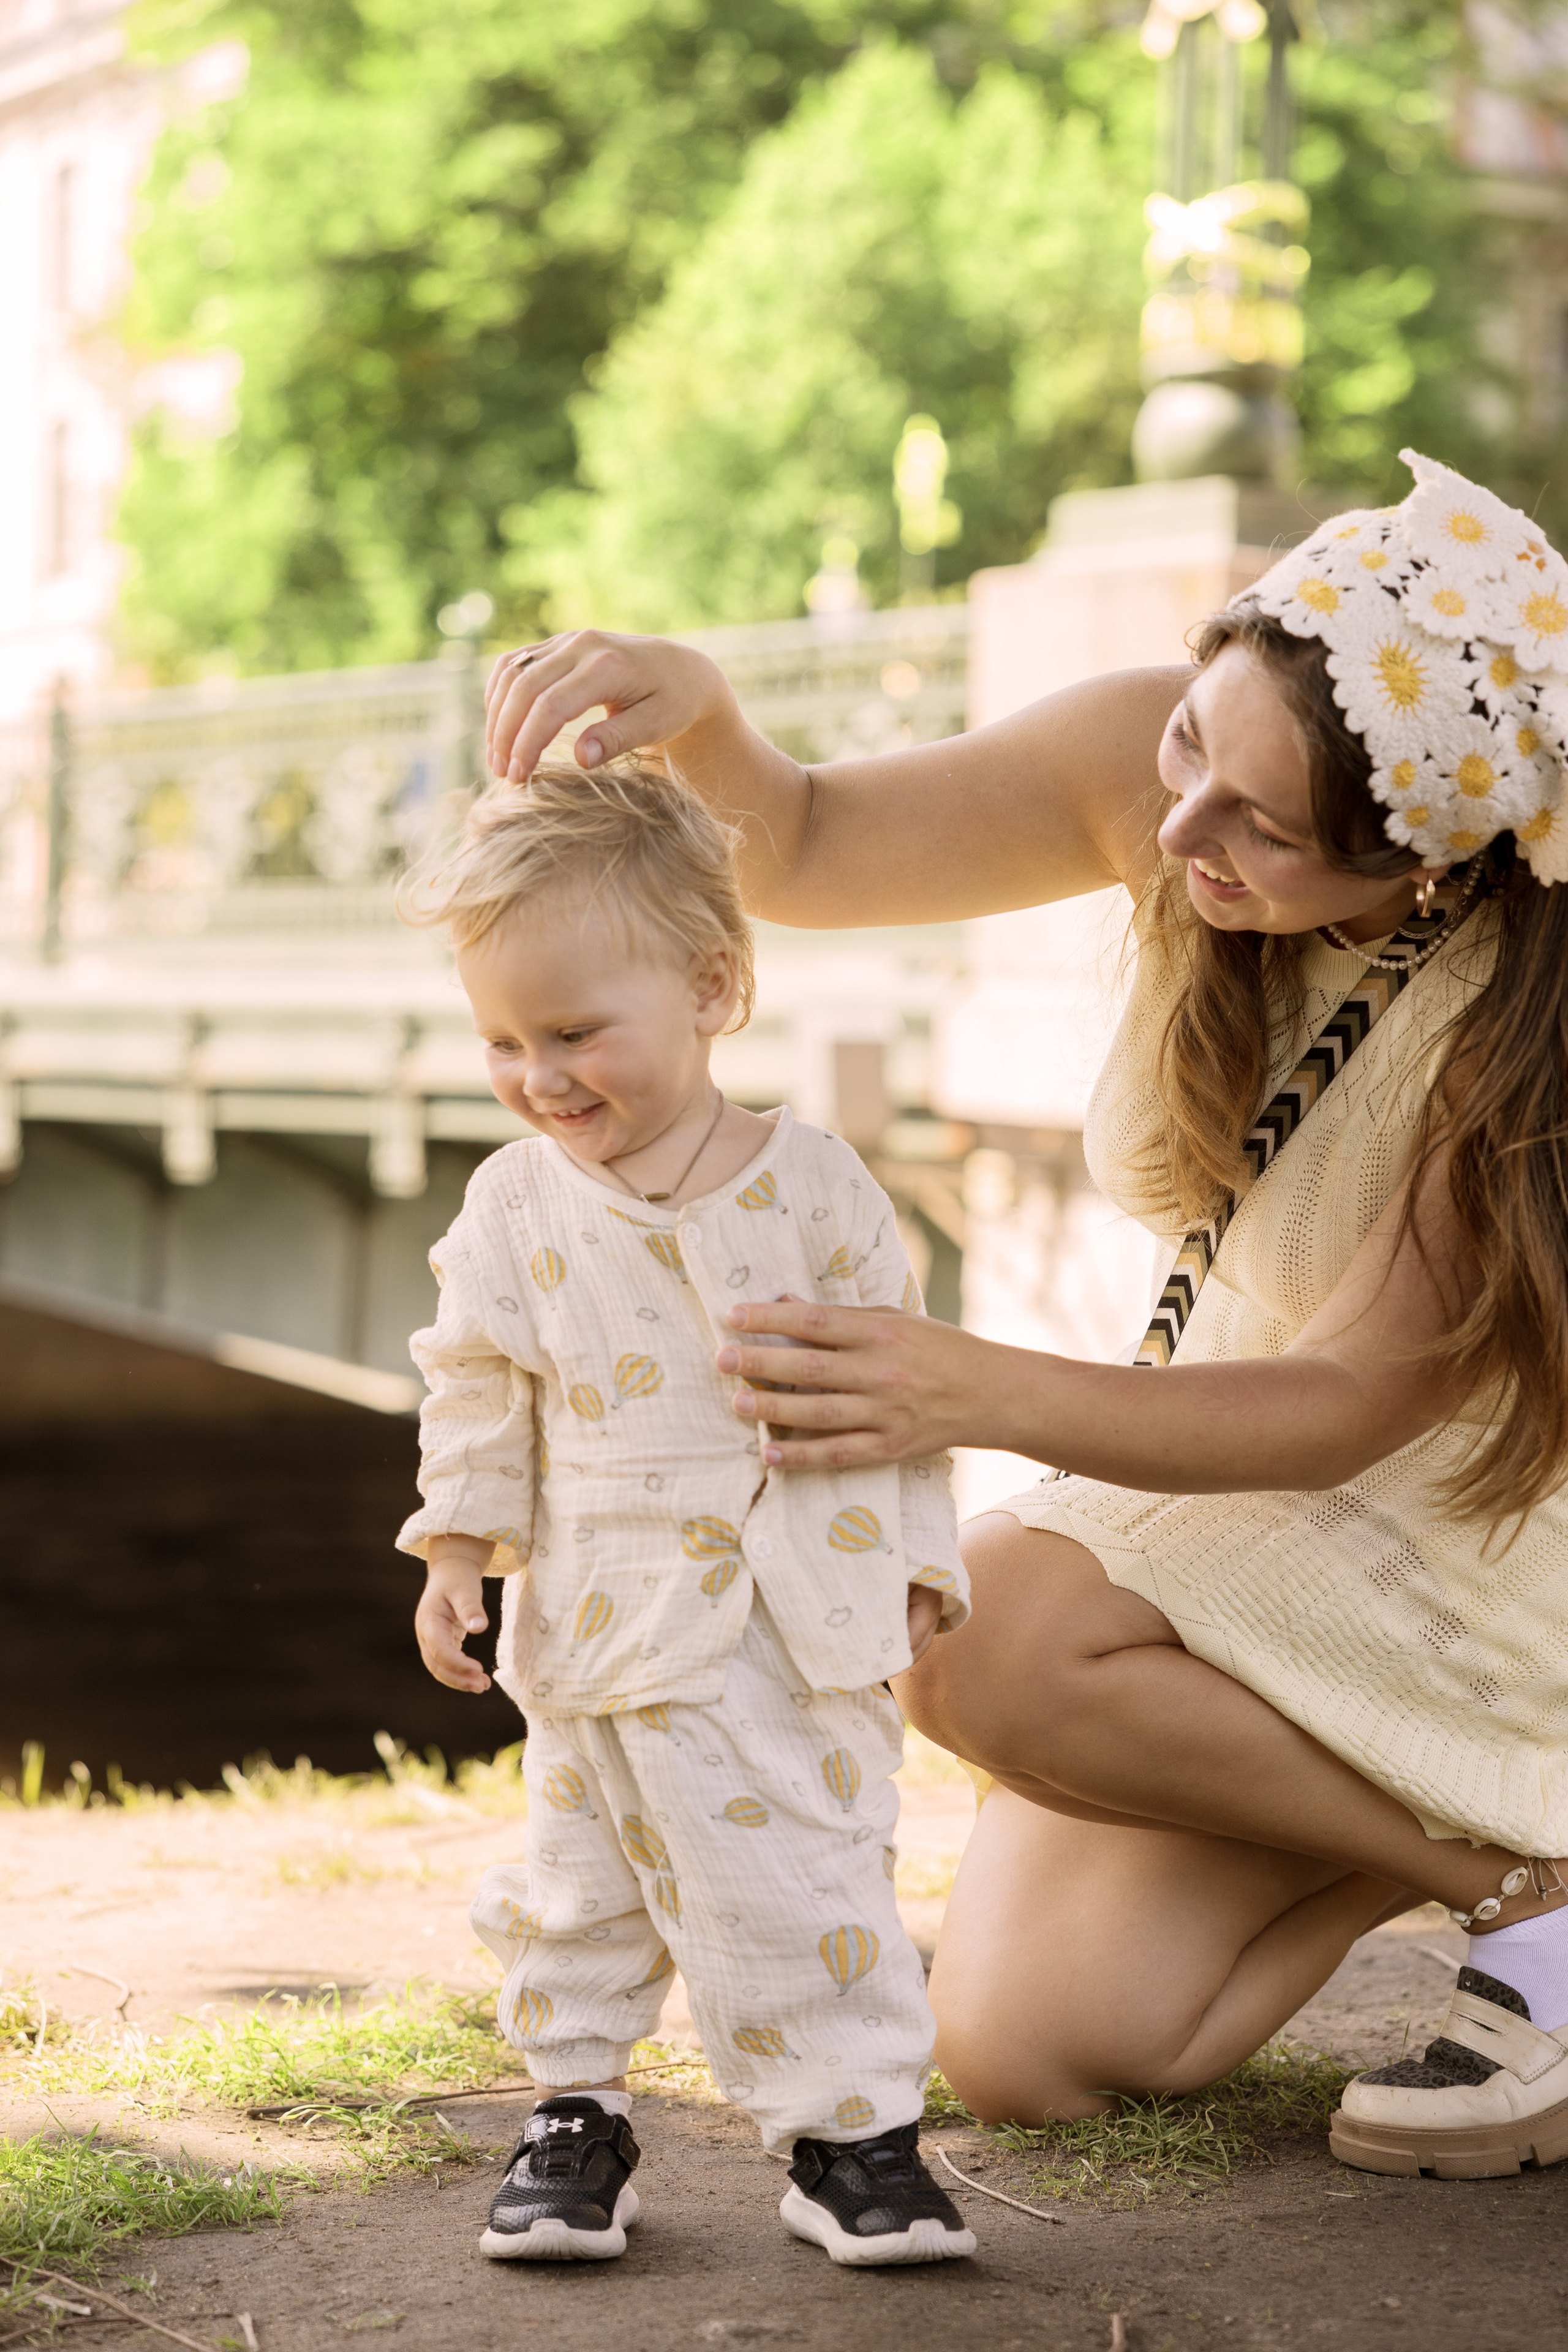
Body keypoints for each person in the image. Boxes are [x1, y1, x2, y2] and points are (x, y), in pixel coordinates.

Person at [481, 451, 1568, 2184]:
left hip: (1471, 1520)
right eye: (1194, 748)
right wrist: (706, 722)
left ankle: (1529, 1895)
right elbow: (819, 844)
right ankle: (1508, 1847)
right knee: (1039, 2051)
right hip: (1257, 1493)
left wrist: (957, 1387)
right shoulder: (1172, 751)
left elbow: (1354, 1401)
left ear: (1430, 858)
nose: (1183, 832)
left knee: (978, 1639)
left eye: (1263, 831)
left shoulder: (1529, 1010)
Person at [398, 760, 977, 2265]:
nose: (541, 1075)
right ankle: (573, 2109)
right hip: (594, 1600)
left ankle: (851, 2134)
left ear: (713, 986)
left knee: (808, 1861)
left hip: (796, 1603)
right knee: (578, 1875)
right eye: (504, 1042)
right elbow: (476, 1382)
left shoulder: (819, 1190)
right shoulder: (515, 1209)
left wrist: (917, 1556)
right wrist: (461, 1546)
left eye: (576, 1032)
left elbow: (901, 1392)